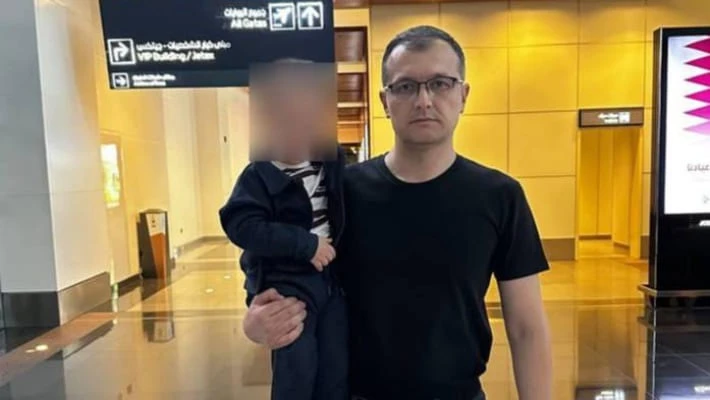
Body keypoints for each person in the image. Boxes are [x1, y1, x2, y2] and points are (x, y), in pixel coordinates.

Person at [241, 26, 553, 400]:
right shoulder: (341, 192)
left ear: (463, 94)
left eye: (440, 84)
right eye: (405, 86)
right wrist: (256, 320)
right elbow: (276, 264)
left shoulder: (500, 196)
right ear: (385, 101)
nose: (424, 100)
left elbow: (526, 328)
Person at [219, 59, 348, 400]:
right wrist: (305, 245)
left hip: (332, 282)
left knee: (336, 365)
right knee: (297, 365)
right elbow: (241, 225)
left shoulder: (329, 162)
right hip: (288, 285)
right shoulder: (259, 175)